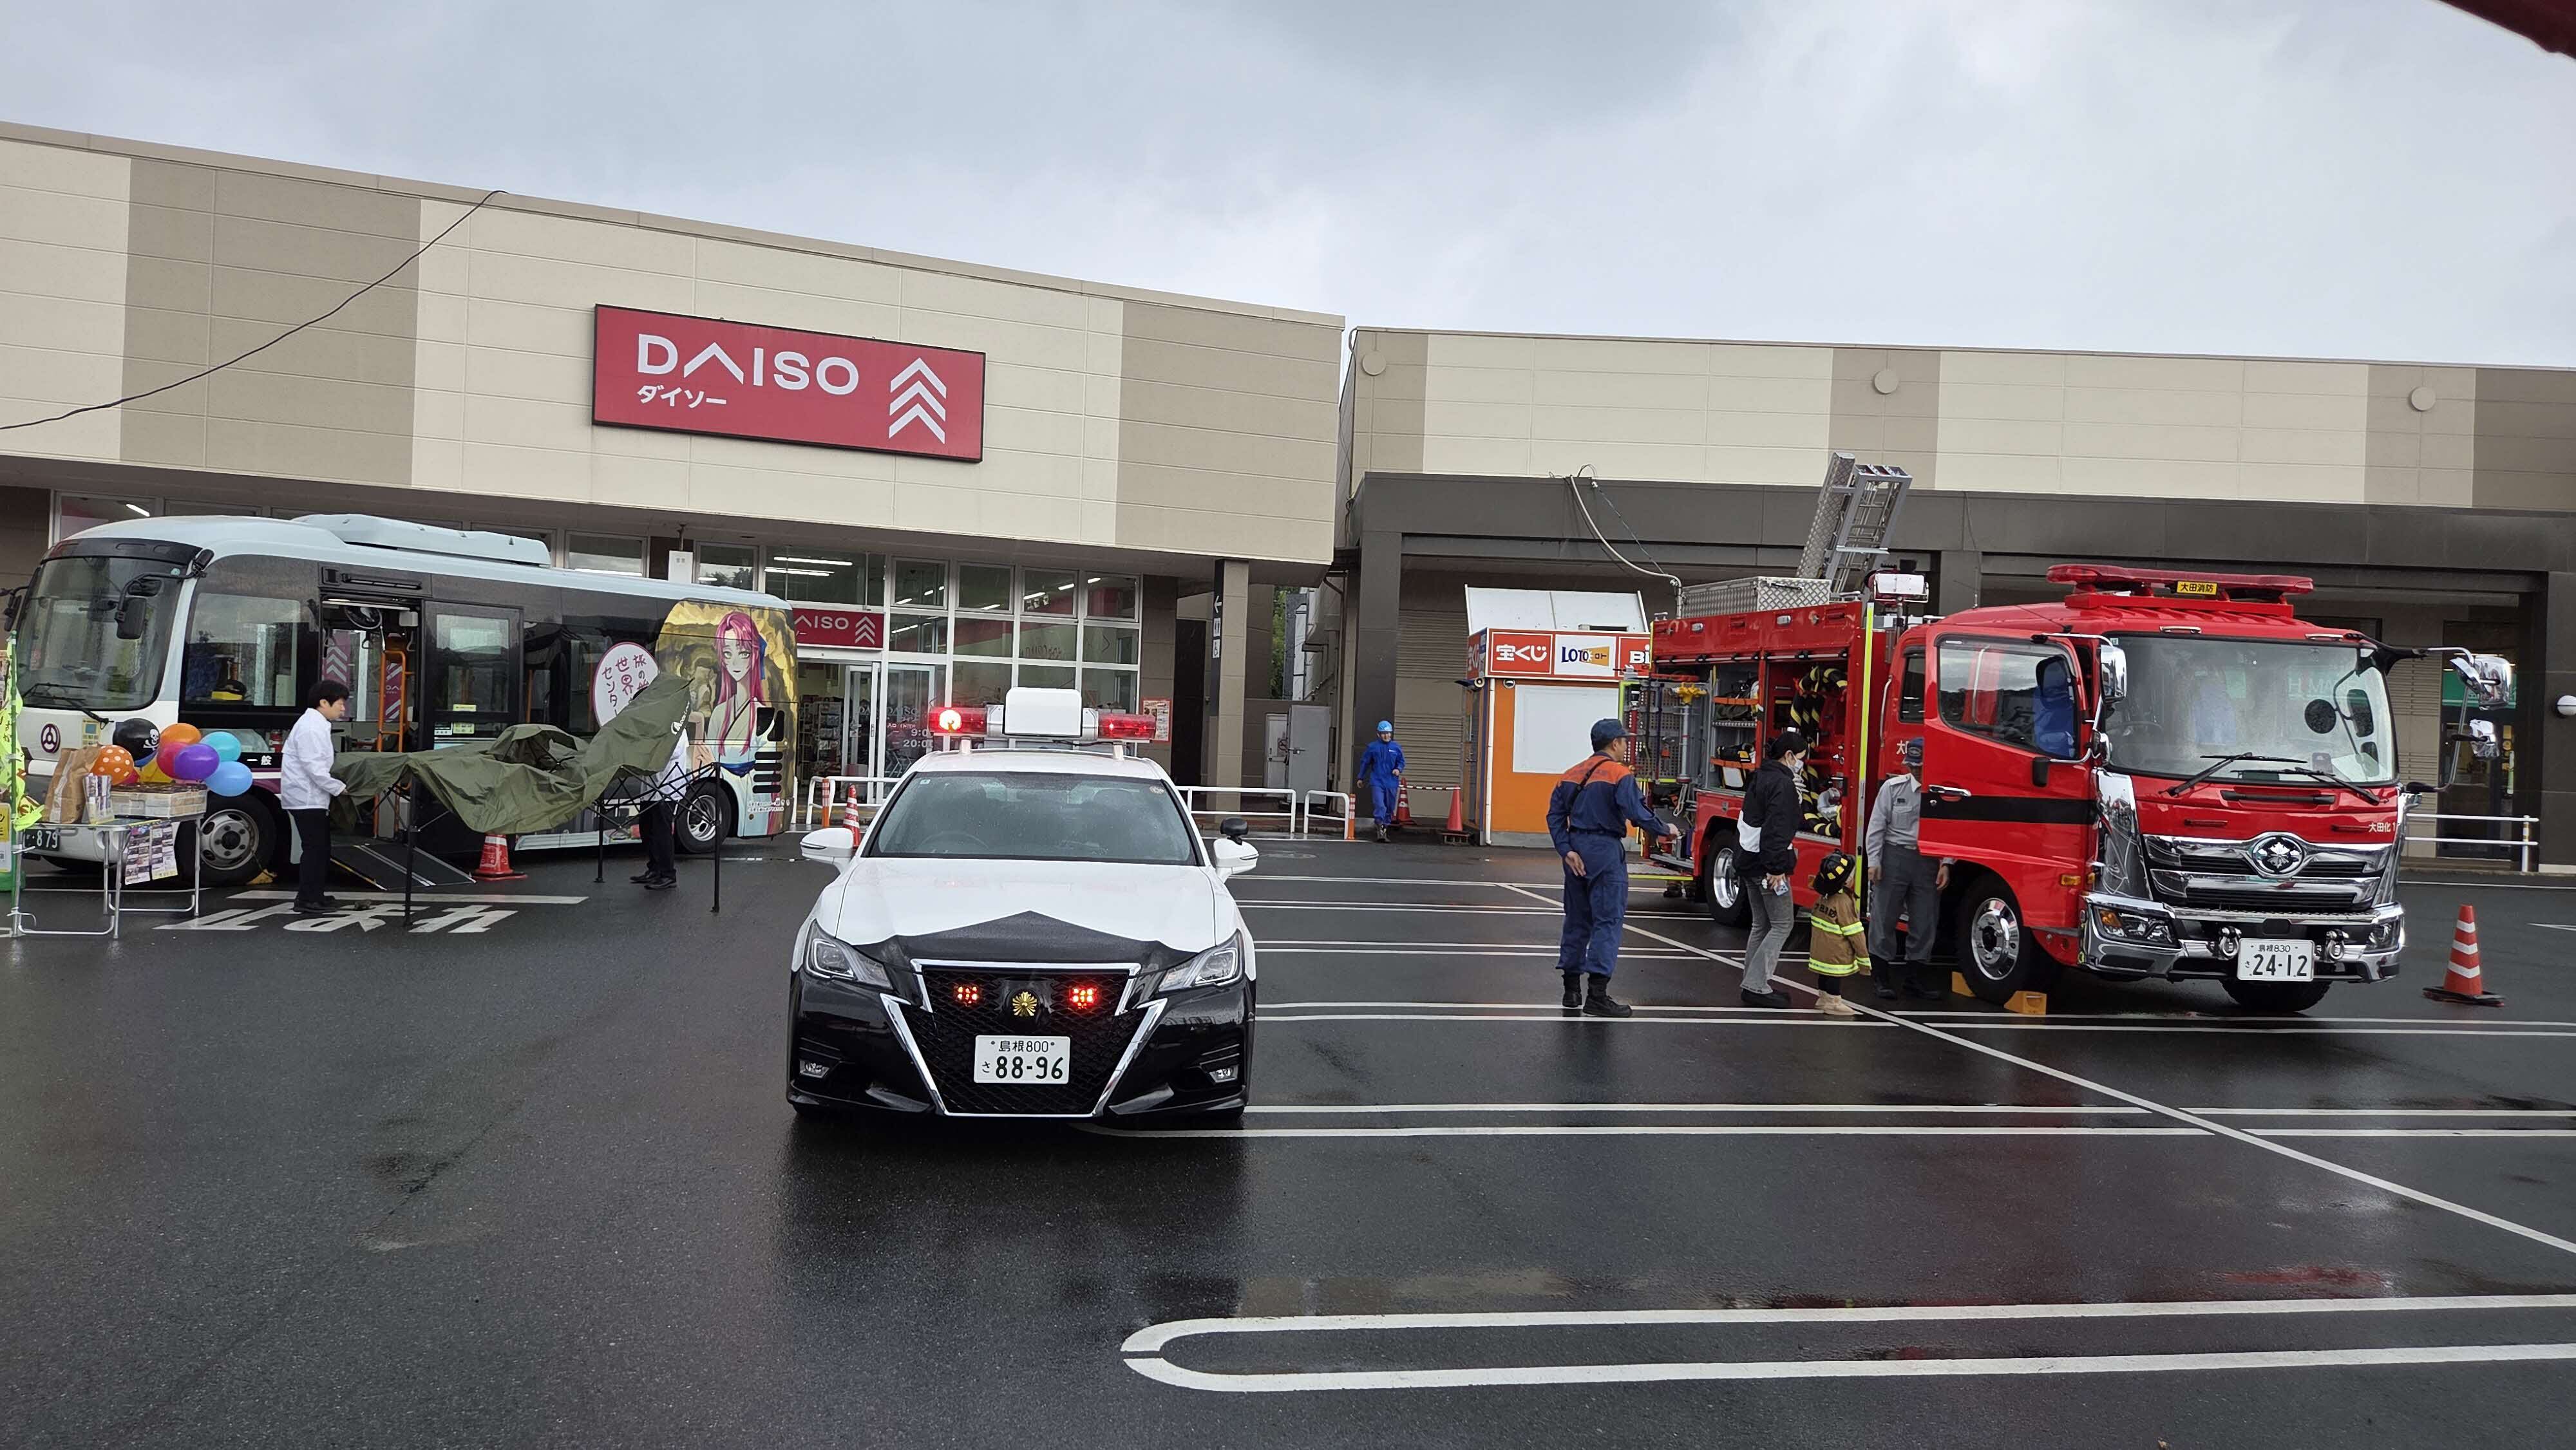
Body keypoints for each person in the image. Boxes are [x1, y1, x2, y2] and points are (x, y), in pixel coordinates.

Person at [1546, 717, 1680, 1019]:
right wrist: (1666, 830)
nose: (1626, 746)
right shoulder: (1620, 774)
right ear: (1614, 743)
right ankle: (1597, 996)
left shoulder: (1571, 774)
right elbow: (1636, 812)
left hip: (1576, 850)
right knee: (1607, 921)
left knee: (1577, 920)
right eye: (1624, 741)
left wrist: (1566, 850)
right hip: (1605, 851)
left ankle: (1571, 991)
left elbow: (1554, 815)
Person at [1867, 736, 1953, 1001]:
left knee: (1925, 919)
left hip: (1928, 860)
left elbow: (1949, 832)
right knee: (1884, 916)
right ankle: (1881, 977)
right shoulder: (1893, 788)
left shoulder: (1943, 793)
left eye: (1921, 765)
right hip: (1895, 855)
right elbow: (1876, 827)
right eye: (1913, 765)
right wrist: (1874, 862)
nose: (1916, 770)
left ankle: (1915, 979)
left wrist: (1947, 864)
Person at [1734, 730, 1806, 1008]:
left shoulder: (1760, 776)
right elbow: (1778, 829)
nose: (1802, 765)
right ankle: (1756, 985)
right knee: (1782, 924)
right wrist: (1777, 868)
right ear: (1789, 756)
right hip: (1768, 865)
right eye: (1801, 759)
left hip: (1748, 859)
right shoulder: (1783, 785)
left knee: (1760, 924)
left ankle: (1752, 981)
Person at [281, 679, 350, 914]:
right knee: (315, 849)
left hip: (309, 797)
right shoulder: (311, 728)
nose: (343, 709)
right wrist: (339, 788)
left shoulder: (316, 723)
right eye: (340, 704)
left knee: (319, 848)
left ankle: (315, 895)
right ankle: (307, 899)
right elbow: (314, 767)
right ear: (324, 703)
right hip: (306, 798)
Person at [1805, 850, 1865, 1019]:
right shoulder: (1844, 902)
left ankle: (1823, 998)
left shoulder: (1823, 898)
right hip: (1836, 951)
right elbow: (1855, 932)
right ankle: (1833, 1002)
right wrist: (1864, 959)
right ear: (1846, 881)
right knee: (1834, 974)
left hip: (1820, 950)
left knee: (1824, 973)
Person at [634, 722, 692, 892]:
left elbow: (674, 751)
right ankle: (654, 869)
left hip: (667, 787)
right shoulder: (654, 725)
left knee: (662, 832)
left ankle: (668, 875)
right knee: (647, 829)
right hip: (650, 788)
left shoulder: (676, 725)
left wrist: (648, 746)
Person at [1357, 721, 1405, 843]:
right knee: (1380, 805)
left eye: (1388, 733)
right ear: (1378, 734)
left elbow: (1401, 762)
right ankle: (1380, 826)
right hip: (1377, 781)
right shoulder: (1372, 747)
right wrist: (1360, 778)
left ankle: (1385, 826)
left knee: (1389, 807)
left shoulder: (1396, 747)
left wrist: (1398, 769)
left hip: (1391, 782)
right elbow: (1365, 763)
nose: (1386, 736)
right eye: (1384, 733)